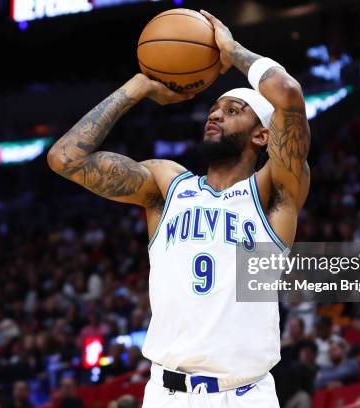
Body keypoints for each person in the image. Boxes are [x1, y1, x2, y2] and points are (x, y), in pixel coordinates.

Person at [47, 8, 311, 407]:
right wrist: (135, 89)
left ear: (262, 134)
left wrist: (232, 51)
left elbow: (288, 96)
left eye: (233, 110)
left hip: (244, 395)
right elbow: (65, 158)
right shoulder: (166, 184)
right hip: (165, 394)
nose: (217, 114)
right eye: (214, 109)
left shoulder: (274, 191)